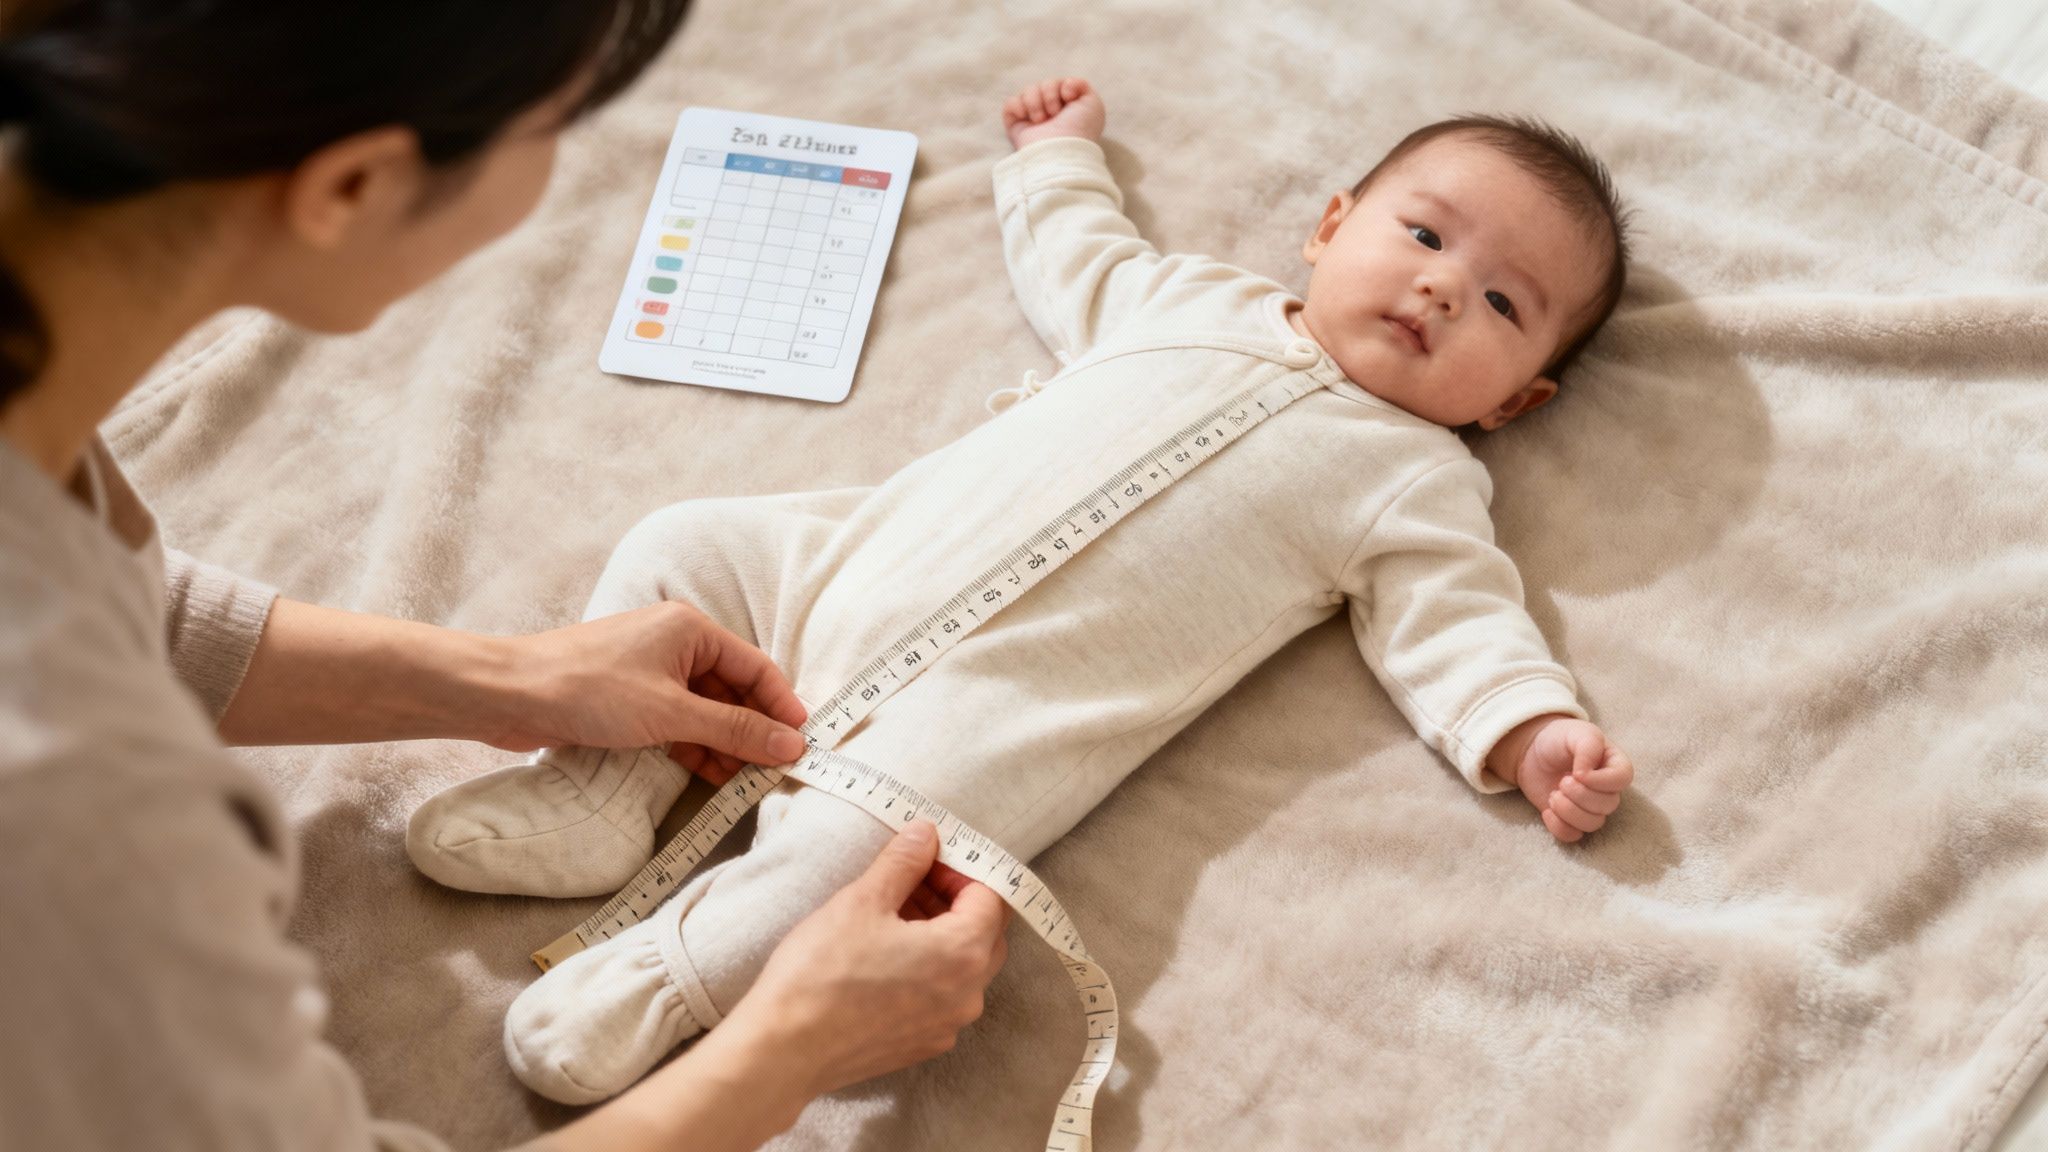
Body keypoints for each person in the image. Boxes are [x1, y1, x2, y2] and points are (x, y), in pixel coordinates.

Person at [404, 76, 1641, 1107]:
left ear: (1512, 402)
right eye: (1423, 236)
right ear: (1329, 227)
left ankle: (673, 977)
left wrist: (1530, 731)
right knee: (686, 547)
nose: (1436, 287)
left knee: (865, 854)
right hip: (848, 560)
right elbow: (1077, 257)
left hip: (1000, 713)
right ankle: (604, 788)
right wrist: (1057, 160)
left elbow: (1457, 621)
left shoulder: (1418, 481)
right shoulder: (1185, 298)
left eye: (1498, 303)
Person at [0, 3, 1010, 1150]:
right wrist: (793, 1047)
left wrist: (503, 676)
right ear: (352, 185)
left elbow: (114, 595)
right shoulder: (74, 808)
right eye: (555, 125)